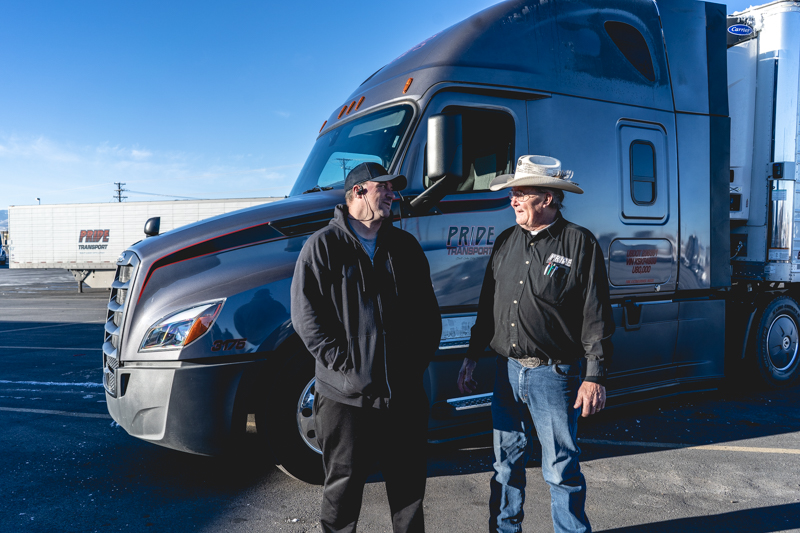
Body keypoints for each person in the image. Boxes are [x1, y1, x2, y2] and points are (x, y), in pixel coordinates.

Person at [457, 155, 614, 533]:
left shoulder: (579, 243)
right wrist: (472, 356)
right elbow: (488, 306)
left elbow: (596, 314)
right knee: (505, 463)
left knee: (560, 468)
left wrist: (594, 376)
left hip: (554, 375)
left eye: (521, 193)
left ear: (548, 198)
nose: (512, 199)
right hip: (506, 371)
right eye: (512, 193)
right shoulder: (506, 241)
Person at [291, 162, 441, 533]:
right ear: (358, 192)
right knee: (342, 488)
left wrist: (412, 365)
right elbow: (306, 319)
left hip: (403, 394)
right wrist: (347, 368)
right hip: (345, 398)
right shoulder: (322, 246)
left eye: (393, 189)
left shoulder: (404, 246)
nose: (393, 195)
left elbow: (427, 313)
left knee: (409, 490)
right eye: (384, 188)